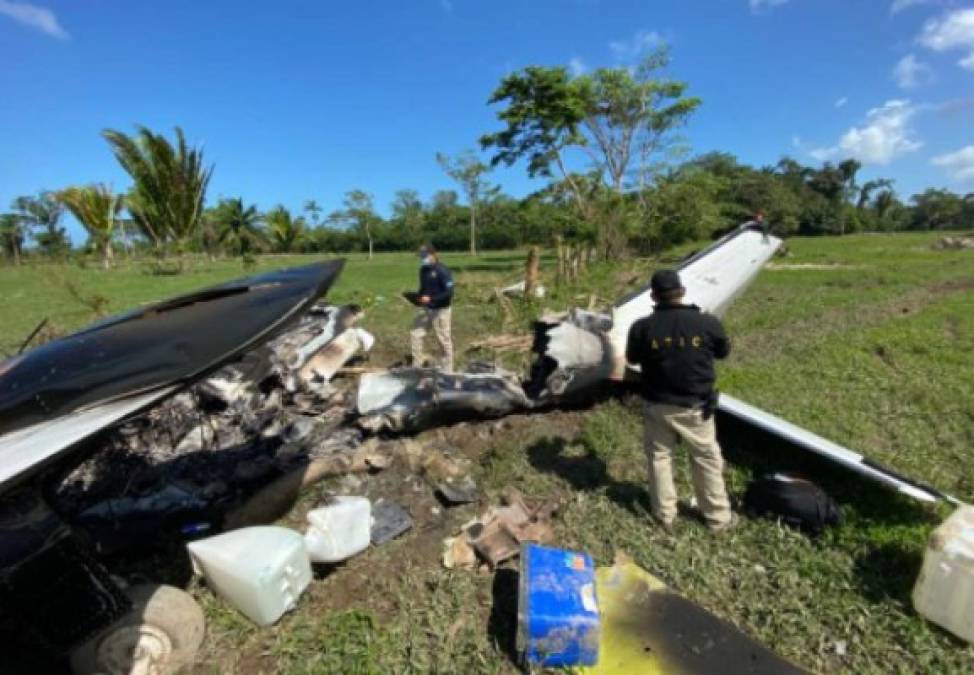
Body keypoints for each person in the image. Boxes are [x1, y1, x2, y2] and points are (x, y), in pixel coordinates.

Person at [625, 269, 735, 533]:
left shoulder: (642, 327)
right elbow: (723, 351)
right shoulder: (706, 322)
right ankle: (718, 519)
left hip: (657, 405)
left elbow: (632, 359)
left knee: (659, 458)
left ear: (653, 296)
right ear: (682, 291)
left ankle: (664, 516)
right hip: (696, 406)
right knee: (705, 458)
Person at [410, 244, 455, 370]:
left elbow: (449, 293)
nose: (422, 258)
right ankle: (416, 366)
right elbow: (423, 289)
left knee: (443, 339)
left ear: (433, 255)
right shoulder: (423, 270)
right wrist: (417, 297)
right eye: (421, 256)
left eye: (424, 255)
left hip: (441, 310)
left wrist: (432, 299)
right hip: (426, 309)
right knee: (415, 334)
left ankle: (448, 369)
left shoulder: (442, 270)